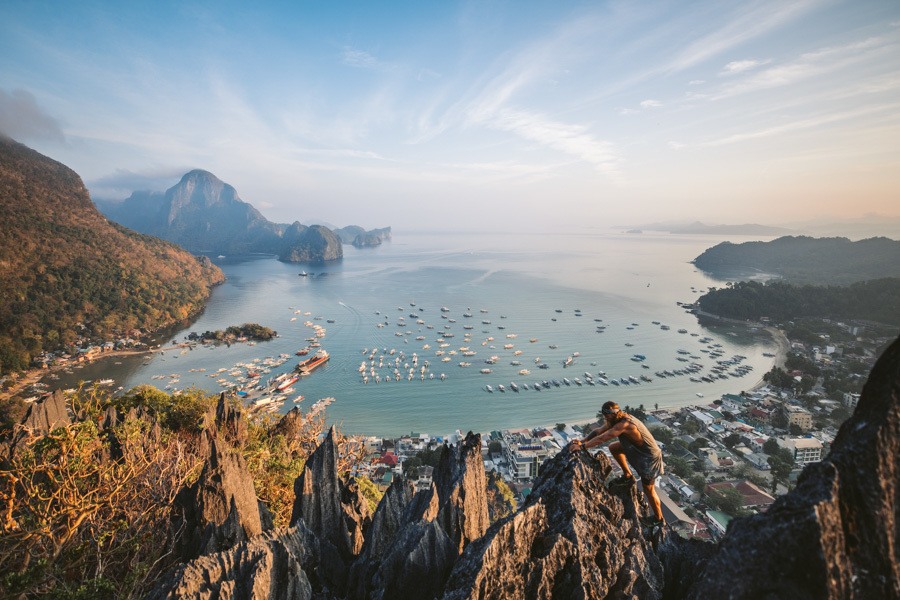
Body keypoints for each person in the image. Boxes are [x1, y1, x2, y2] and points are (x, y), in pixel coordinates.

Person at [571, 401, 666, 528]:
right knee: (614, 448)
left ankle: (658, 519)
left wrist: (582, 447)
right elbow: (599, 431)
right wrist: (582, 441)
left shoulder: (625, 424)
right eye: (604, 414)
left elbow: (602, 438)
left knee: (648, 489)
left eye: (607, 414)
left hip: (649, 456)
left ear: (615, 413)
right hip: (635, 447)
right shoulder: (614, 420)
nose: (605, 417)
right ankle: (628, 476)